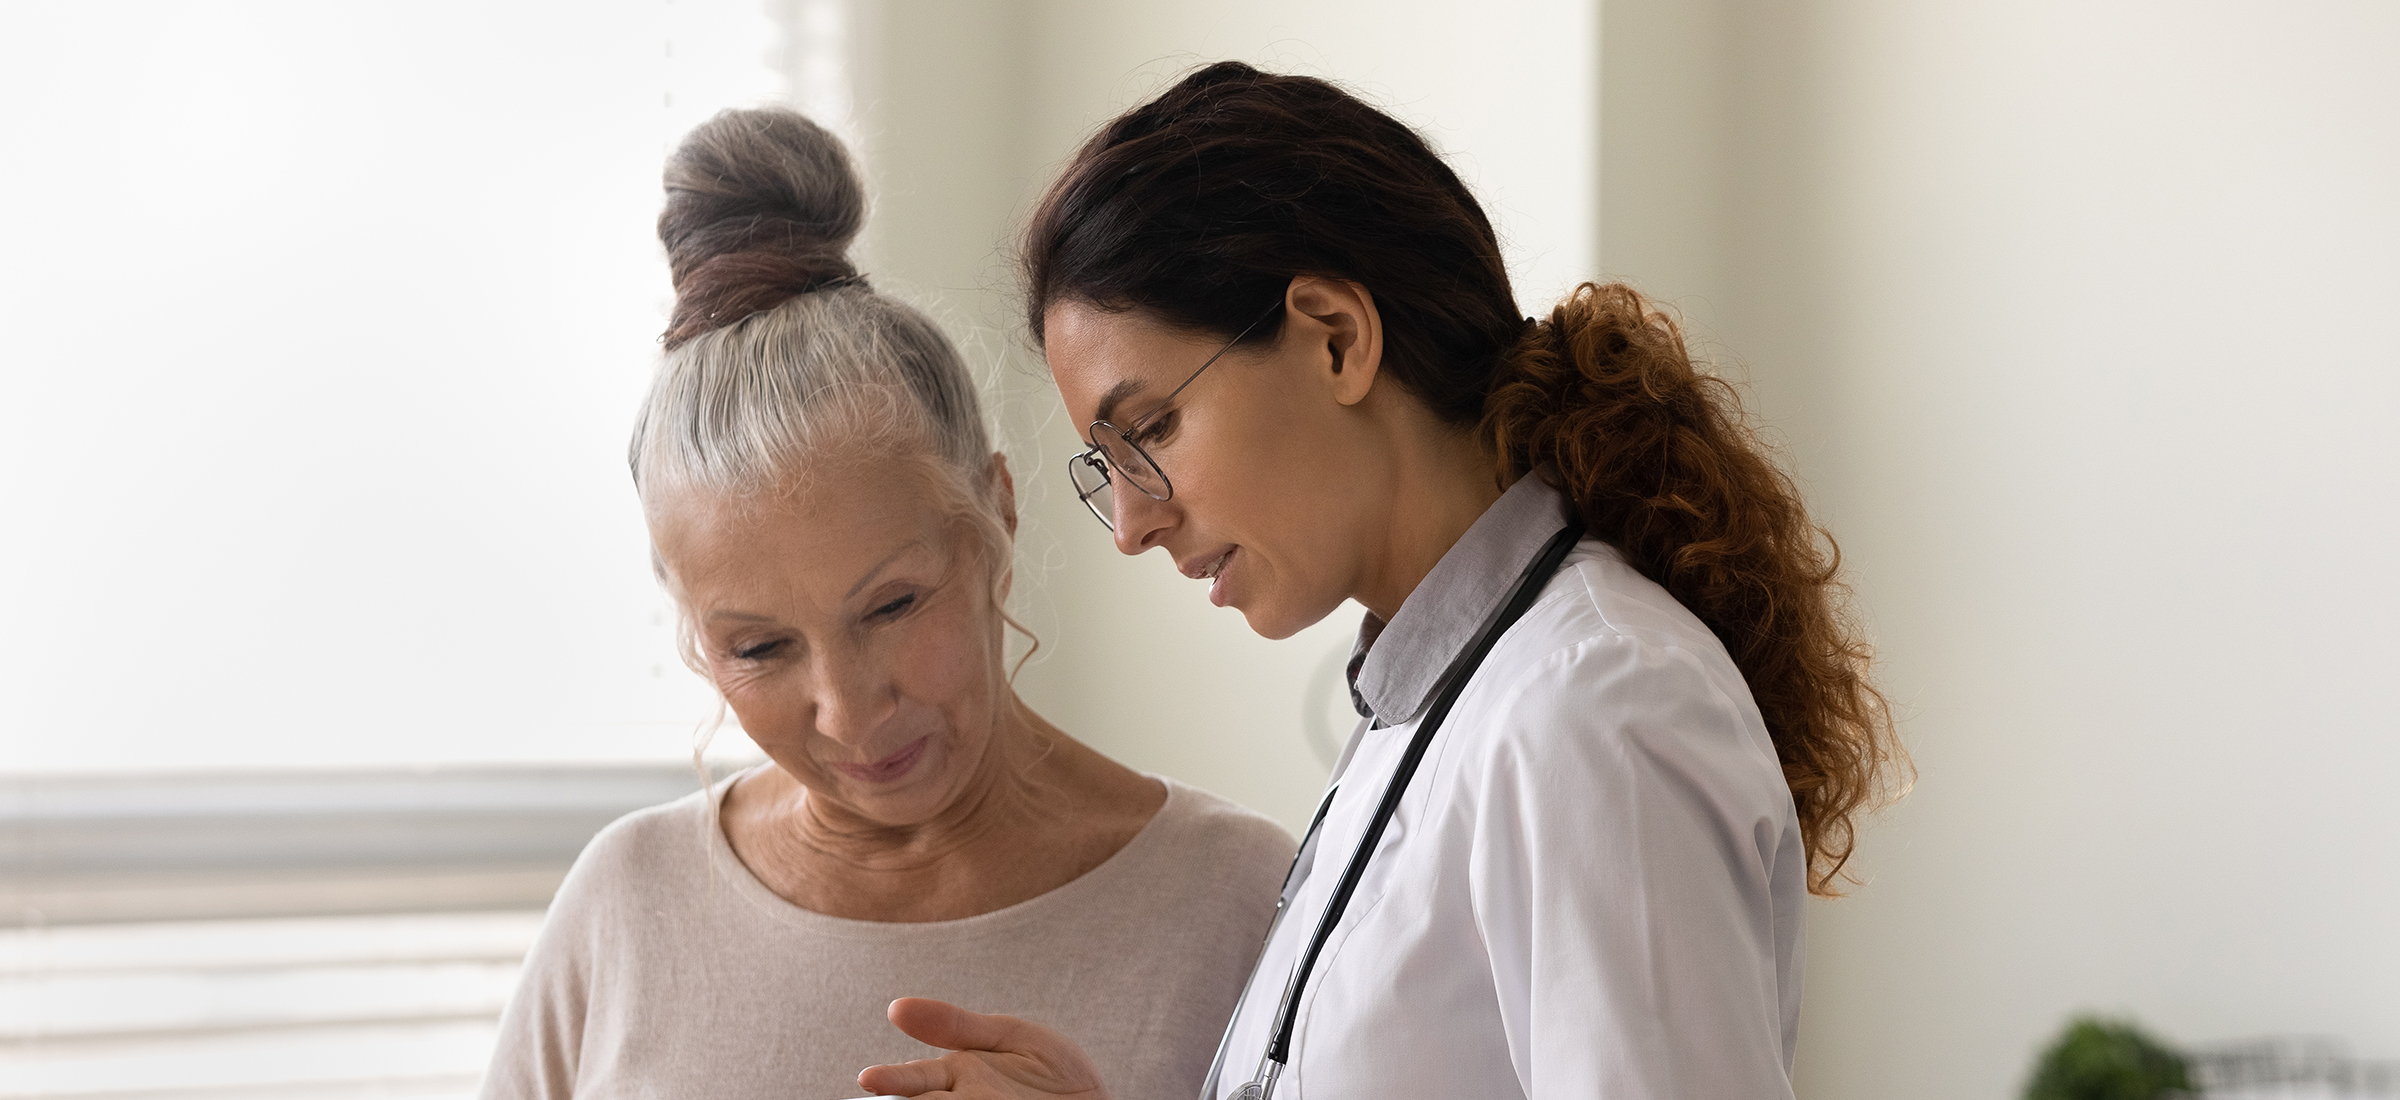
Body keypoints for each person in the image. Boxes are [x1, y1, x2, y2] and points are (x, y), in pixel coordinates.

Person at [856, 62, 1906, 1100]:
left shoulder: (1591, 704)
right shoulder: (1439, 707)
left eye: (1150, 431)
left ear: (1336, 339)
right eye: (1110, 467)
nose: (1131, 523)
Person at [477, 107, 1296, 1100]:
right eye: (761, 646)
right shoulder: (624, 904)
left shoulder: (1238, 899)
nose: (850, 709)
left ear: (996, 509)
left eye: (894, 604)